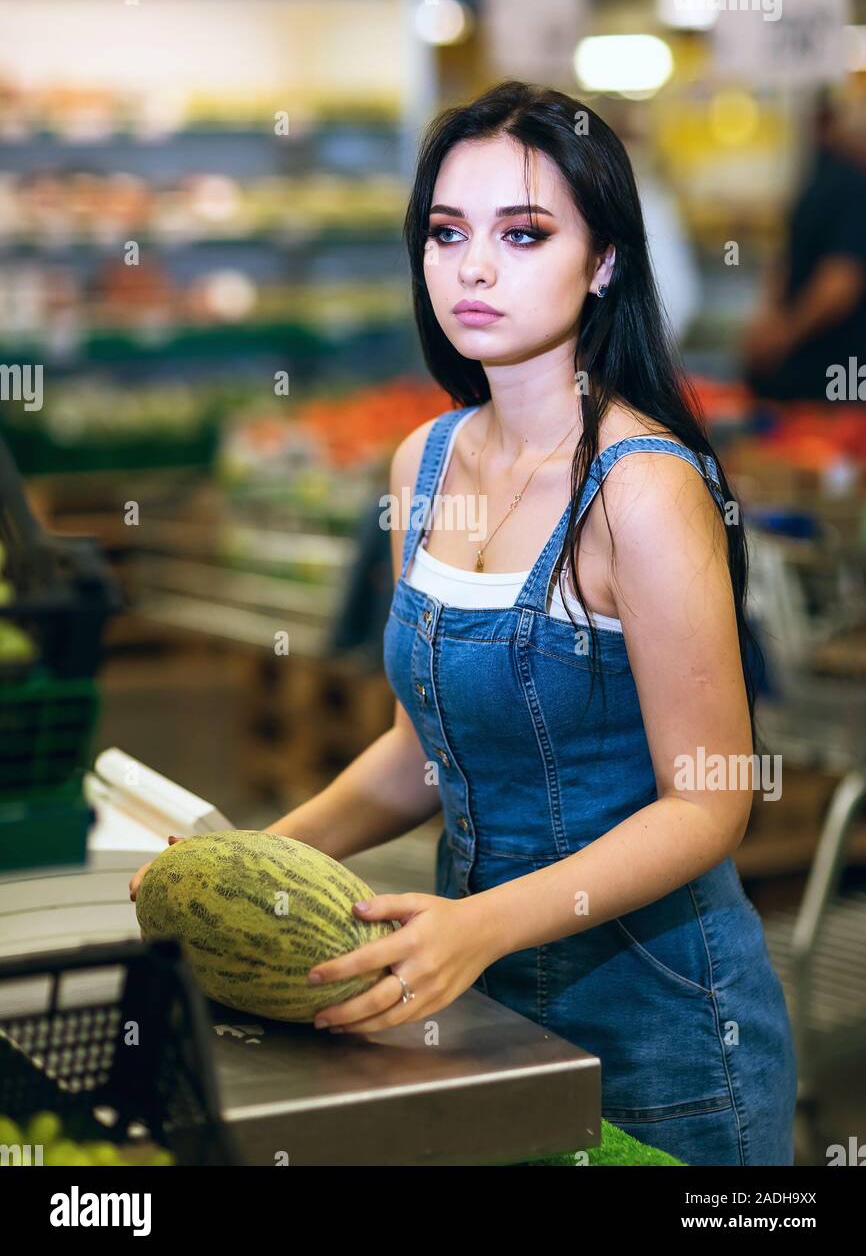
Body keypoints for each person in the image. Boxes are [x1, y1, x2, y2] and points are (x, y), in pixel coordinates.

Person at [130, 81, 797, 1167]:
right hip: (470, 1003)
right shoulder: (426, 463)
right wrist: (237, 860)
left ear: (603, 262)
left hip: (663, 1029)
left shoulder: (640, 488)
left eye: (522, 233)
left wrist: (481, 924)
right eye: (446, 232)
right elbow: (416, 753)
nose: (472, 266)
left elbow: (710, 802)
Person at [742, 93, 866, 401]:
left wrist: (777, 327)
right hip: (830, 375)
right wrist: (783, 332)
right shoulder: (850, 187)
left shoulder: (820, 181)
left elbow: (792, 263)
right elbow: (839, 282)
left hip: (819, 373)